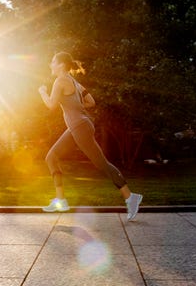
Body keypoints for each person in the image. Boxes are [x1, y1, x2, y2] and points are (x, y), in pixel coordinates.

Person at [38, 51, 143, 220]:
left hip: (79, 127)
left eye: (53, 61)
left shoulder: (60, 81)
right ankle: (61, 200)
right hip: (78, 126)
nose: (50, 64)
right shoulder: (75, 82)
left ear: (61, 65)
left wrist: (42, 91)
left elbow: (51, 105)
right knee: (51, 157)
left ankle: (130, 197)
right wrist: (78, 109)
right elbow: (91, 102)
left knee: (102, 164)